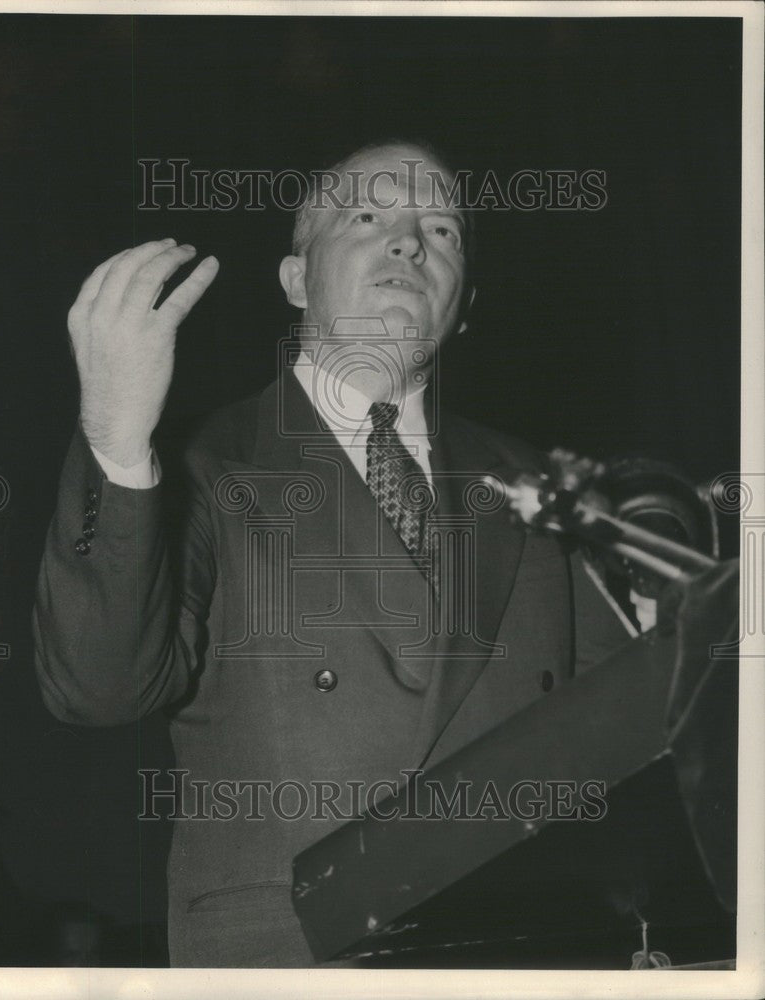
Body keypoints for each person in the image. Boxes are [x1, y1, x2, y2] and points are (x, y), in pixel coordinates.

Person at [33, 141, 633, 967]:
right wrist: (113, 435)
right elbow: (97, 689)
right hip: (293, 959)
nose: (410, 241)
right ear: (295, 278)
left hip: (523, 953)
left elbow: (630, 746)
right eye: (366, 215)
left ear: (465, 306)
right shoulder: (201, 467)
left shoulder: (547, 488)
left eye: (442, 228)